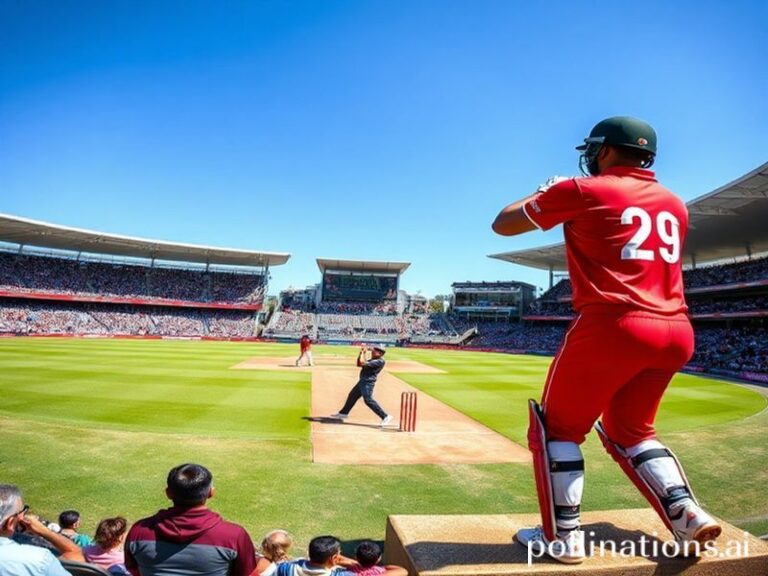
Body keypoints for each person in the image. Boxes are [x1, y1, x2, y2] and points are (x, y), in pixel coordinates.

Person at [492, 116, 721, 563]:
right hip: (676, 328)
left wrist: (545, 191)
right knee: (632, 431)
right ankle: (687, 513)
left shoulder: (582, 189)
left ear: (603, 150)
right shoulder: (675, 203)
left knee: (558, 430)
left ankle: (564, 537)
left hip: (613, 323)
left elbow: (502, 224)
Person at [124, 463, 258, 576]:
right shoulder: (234, 536)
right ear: (211, 492)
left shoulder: (138, 531)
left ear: (168, 493)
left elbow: (134, 569)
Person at [0, 484, 84, 576]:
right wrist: (44, 531)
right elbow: (80, 557)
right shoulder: (40, 559)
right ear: (10, 522)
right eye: (22, 511)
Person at [330, 346, 392, 426]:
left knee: (368, 400)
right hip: (362, 381)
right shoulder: (372, 360)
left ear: (380, 354)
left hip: (368, 383)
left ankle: (385, 416)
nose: (373, 351)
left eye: (376, 351)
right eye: (374, 350)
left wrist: (363, 352)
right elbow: (359, 363)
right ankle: (343, 413)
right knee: (352, 396)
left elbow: (362, 363)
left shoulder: (379, 361)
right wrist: (361, 353)